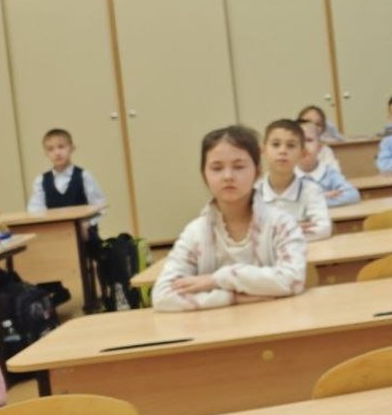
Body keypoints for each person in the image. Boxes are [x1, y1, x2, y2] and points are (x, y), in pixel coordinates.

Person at [152, 125, 307, 312]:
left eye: (239, 167)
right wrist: (232, 297)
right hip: (216, 327)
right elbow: (162, 296)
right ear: (204, 175)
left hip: (278, 321)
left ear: (257, 171)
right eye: (217, 168)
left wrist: (218, 279)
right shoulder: (195, 233)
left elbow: (293, 280)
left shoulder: (281, 223)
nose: (228, 176)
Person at [256, 119, 333, 240]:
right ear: (263, 150)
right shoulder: (252, 192)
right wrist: (291, 229)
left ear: (302, 153)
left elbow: (323, 228)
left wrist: (271, 233)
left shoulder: (312, 190)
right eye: (276, 144)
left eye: (291, 145)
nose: (282, 151)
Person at [25, 128, 107, 217]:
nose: (57, 153)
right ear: (46, 153)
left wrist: (88, 222)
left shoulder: (84, 176)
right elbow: (35, 211)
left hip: (83, 225)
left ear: (72, 148)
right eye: (51, 149)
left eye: (61, 147)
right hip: (54, 225)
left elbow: (99, 206)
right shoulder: (41, 180)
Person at [297, 122, 361, 207]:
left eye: (309, 140)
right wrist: (319, 197)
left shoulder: (329, 173)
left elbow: (353, 195)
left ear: (319, 147)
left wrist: (313, 201)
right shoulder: (286, 175)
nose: (304, 146)